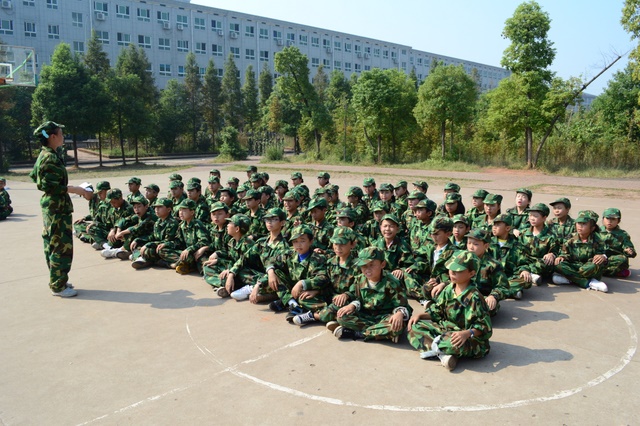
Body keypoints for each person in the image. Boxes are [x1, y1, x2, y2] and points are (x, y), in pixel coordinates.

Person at [29, 121, 92, 297]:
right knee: (60, 246)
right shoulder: (49, 157)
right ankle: (58, 286)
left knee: (53, 244)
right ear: (52, 137)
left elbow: (35, 177)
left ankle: (58, 279)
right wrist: (76, 189)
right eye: (61, 134)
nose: (63, 137)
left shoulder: (46, 154)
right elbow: (50, 186)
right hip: (57, 207)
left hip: (54, 206)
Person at [407, 251, 492, 371]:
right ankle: (444, 354)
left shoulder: (475, 297)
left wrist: (466, 333)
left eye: (458, 270)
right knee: (414, 327)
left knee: (453, 344)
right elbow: (437, 311)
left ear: (471, 273)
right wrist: (420, 315)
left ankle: (439, 349)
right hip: (447, 330)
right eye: (451, 269)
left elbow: (485, 328)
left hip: (468, 338)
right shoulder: (448, 289)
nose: (452, 272)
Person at [332, 247, 412, 343]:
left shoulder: (392, 282)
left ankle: (357, 333)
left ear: (382, 264)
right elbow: (355, 296)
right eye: (364, 266)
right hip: (366, 316)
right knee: (342, 316)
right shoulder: (359, 279)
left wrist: (399, 313)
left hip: (386, 317)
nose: (367, 269)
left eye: (372, 265)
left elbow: (403, 306)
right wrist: (352, 305)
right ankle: (382, 334)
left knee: (397, 325)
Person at [293, 227, 360, 326]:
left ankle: (314, 316)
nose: (338, 248)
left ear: (352, 244)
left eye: (342, 244)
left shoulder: (358, 265)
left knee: (341, 305)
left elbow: (359, 288)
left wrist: (346, 295)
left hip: (347, 300)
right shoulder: (331, 261)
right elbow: (325, 280)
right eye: (335, 244)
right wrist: (317, 291)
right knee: (304, 297)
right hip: (331, 297)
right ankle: (331, 315)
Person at [553, 210, 609, 292]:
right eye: (579, 223)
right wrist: (562, 257)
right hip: (574, 265)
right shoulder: (570, 237)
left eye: (584, 224)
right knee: (558, 264)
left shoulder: (598, 239)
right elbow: (565, 253)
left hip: (588, 267)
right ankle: (588, 282)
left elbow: (602, 255)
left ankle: (570, 279)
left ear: (592, 228)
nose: (580, 226)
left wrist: (602, 257)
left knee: (594, 266)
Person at [131, 198, 180, 270]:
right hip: (158, 245)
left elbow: (167, 241)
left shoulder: (172, 223)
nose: (156, 209)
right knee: (139, 245)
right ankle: (144, 258)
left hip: (169, 247)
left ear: (169, 209)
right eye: (155, 207)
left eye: (160, 207)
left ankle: (158, 262)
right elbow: (153, 236)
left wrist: (149, 244)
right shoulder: (158, 222)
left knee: (155, 250)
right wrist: (138, 240)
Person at [600, 208, 636, 278]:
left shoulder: (623, 234)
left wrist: (629, 251)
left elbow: (628, 247)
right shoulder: (596, 231)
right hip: (598, 256)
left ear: (618, 221)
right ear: (603, 219)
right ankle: (614, 272)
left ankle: (600, 271)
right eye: (607, 218)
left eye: (613, 219)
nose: (610, 221)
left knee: (622, 259)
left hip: (612, 260)